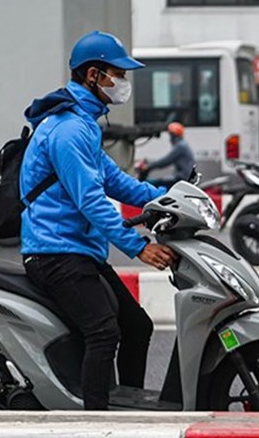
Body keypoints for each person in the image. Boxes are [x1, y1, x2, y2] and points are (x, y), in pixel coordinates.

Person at [20, 30, 177, 411]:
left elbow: (114, 181)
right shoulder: (69, 129)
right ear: (93, 75)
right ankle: (93, 421)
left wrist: (169, 197)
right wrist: (139, 246)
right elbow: (91, 199)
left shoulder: (83, 123)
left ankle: (132, 407)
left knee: (138, 327)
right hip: (54, 253)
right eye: (117, 74)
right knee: (104, 332)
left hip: (79, 251)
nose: (122, 83)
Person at [135, 122, 195, 187]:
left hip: (182, 178)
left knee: (157, 184)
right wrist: (149, 163)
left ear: (173, 135)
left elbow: (166, 161)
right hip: (183, 176)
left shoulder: (180, 146)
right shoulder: (182, 144)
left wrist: (149, 166)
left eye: (170, 135)